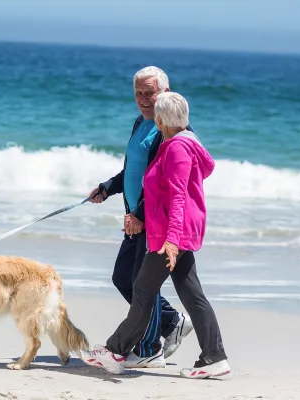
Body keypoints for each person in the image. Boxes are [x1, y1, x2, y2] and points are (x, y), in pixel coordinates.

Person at [81, 92, 230, 379]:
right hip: (178, 232)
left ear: (161, 120)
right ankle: (214, 357)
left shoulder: (176, 149)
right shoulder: (182, 143)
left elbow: (177, 198)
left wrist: (171, 241)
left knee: (143, 290)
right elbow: (191, 179)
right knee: (191, 294)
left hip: (171, 235)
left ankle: (115, 350)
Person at [88, 66, 193, 368]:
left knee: (143, 285)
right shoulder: (139, 123)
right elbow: (133, 172)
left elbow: (163, 185)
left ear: (166, 91)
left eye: (151, 92)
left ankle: (149, 349)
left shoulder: (168, 130)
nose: (145, 99)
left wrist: (141, 214)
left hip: (152, 221)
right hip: (134, 219)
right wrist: (107, 188)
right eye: (139, 93)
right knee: (124, 278)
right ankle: (172, 322)